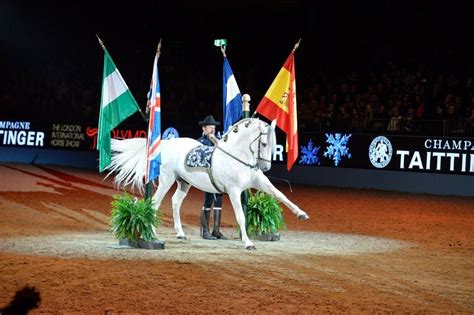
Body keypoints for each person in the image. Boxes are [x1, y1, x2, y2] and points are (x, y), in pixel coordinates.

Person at [197, 115, 226, 240]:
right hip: (207, 177)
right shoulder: (200, 142)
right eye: (210, 127)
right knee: (208, 201)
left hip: (218, 176)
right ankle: (204, 231)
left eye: (214, 127)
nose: (213, 129)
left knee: (219, 202)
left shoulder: (218, 140)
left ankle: (216, 230)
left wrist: (216, 141)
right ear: (204, 128)